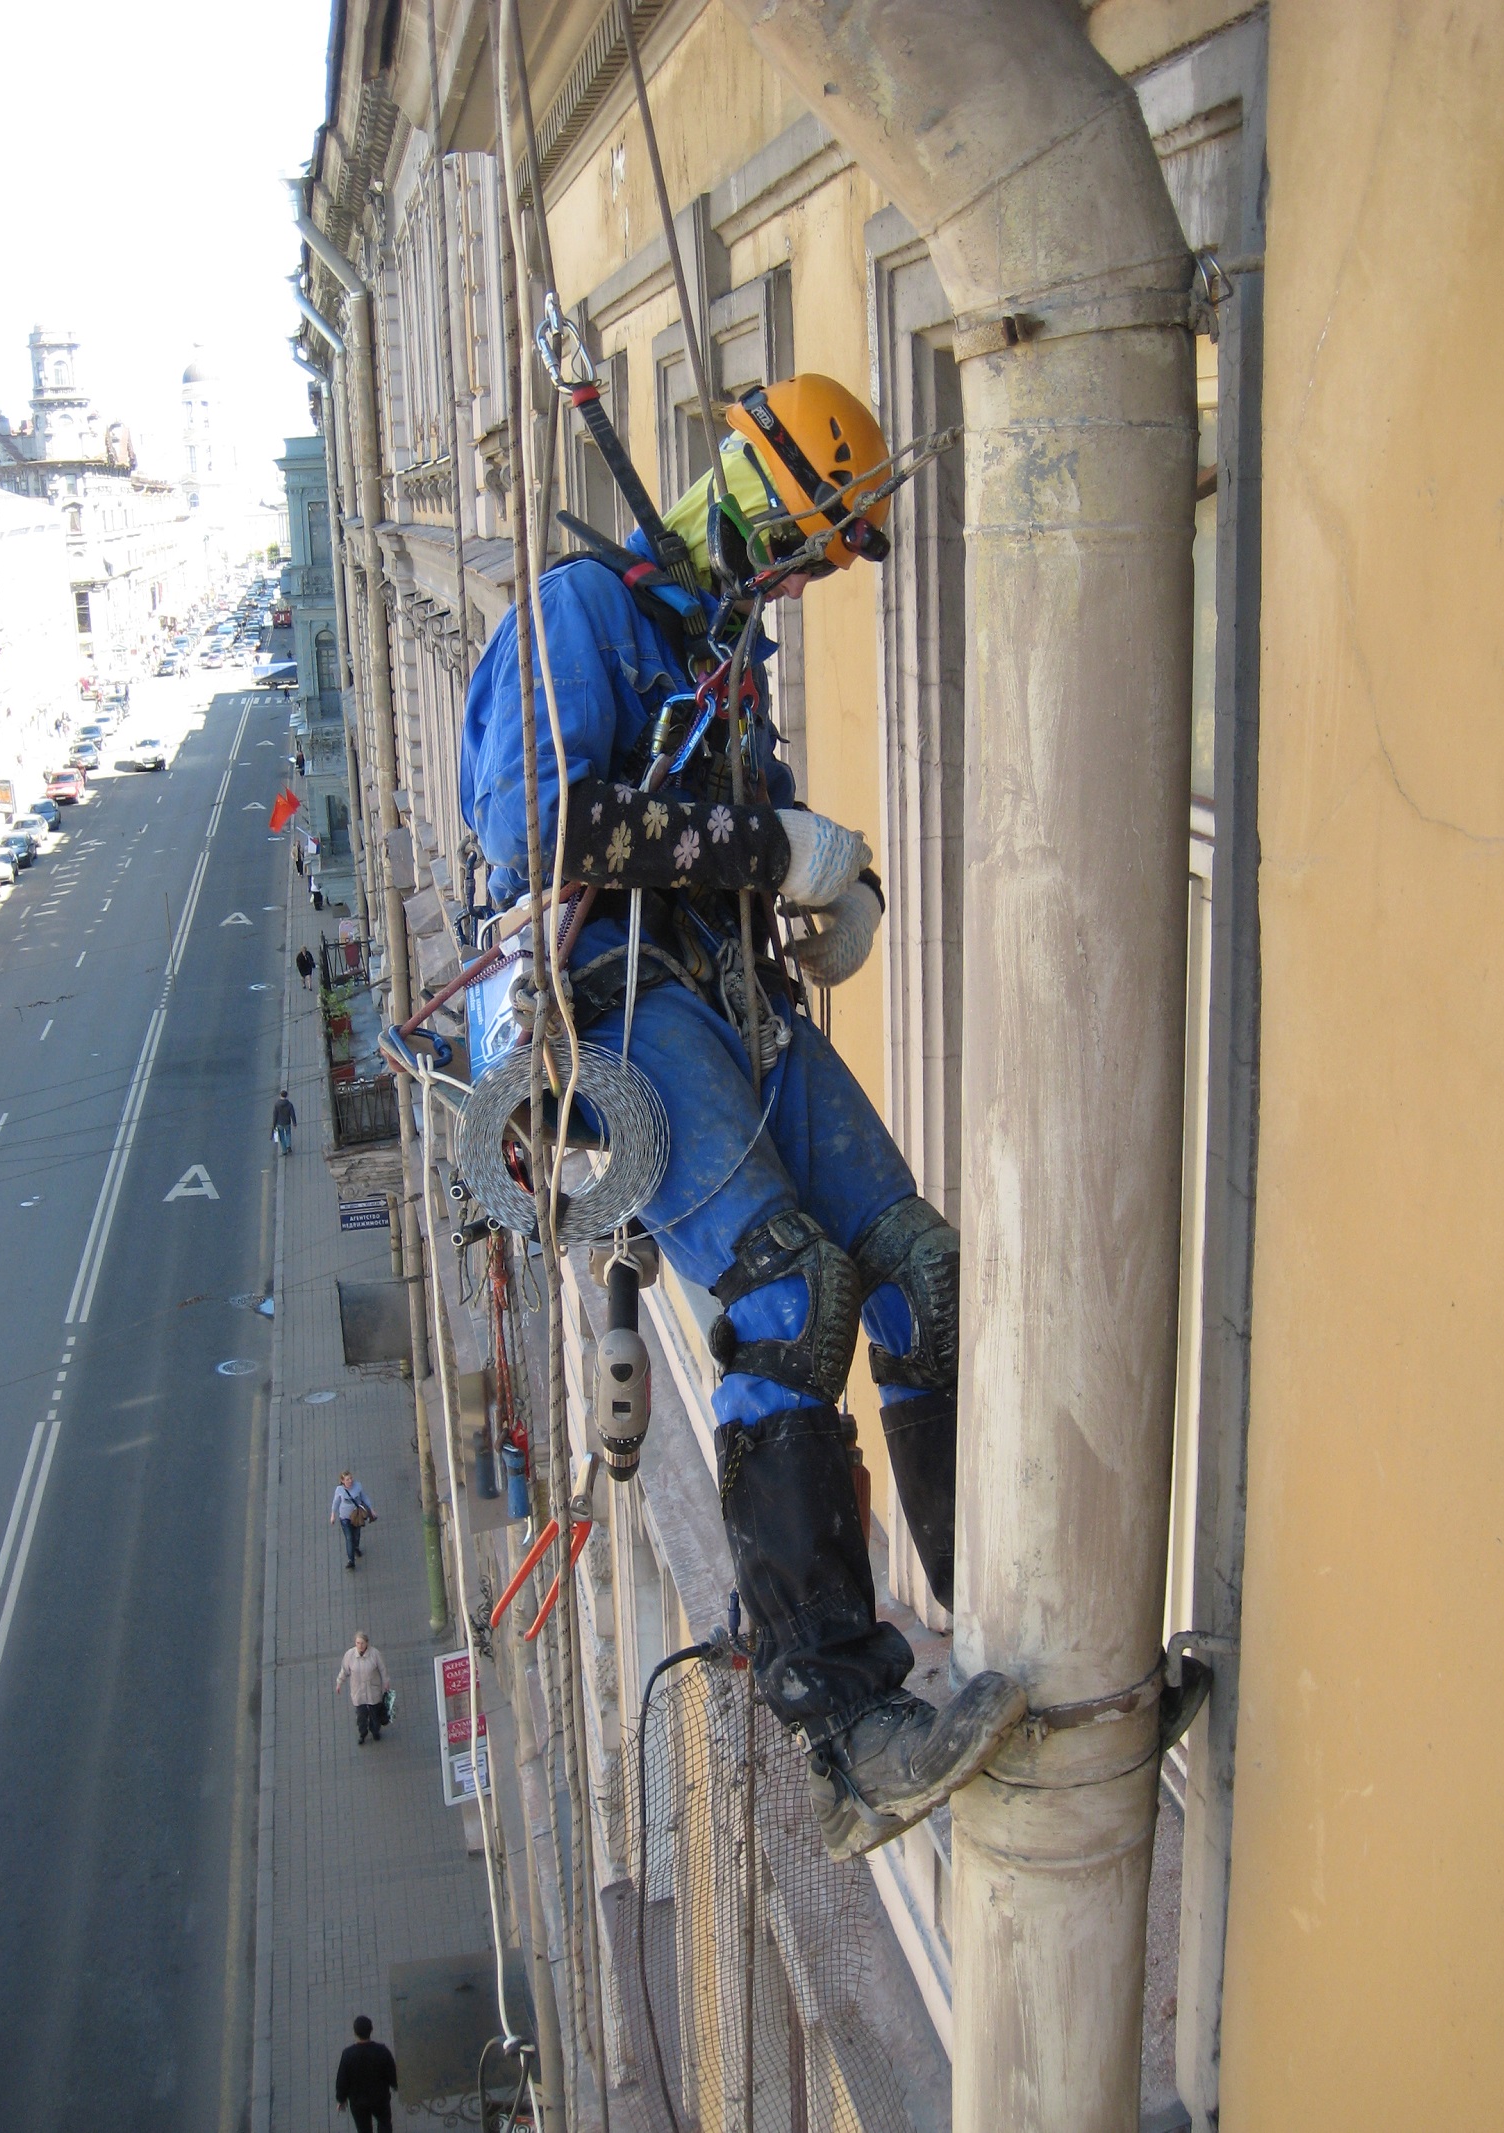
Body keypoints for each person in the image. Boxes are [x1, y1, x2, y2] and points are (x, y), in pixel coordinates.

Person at [460, 374, 1023, 1861]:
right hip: (615, 996)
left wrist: (842, 887)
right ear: (761, 491)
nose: (813, 571)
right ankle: (844, 1729)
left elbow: (757, 815)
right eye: (811, 540)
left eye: (831, 555)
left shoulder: (721, 644)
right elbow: (539, 826)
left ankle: (1010, 1611)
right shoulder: (582, 611)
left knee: (917, 1268)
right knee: (788, 1293)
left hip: (722, 980)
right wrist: (780, 850)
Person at [334, 2014, 397, 2130]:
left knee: (363, 2129)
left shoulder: (348, 2054)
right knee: (384, 2123)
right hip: (380, 2099)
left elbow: (342, 2080)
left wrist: (341, 2099)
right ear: (371, 2030)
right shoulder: (382, 2051)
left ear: (355, 2032)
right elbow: (392, 2073)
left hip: (358, 2103)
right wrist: (396, 2086)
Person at [336, 1631, 390, 1743]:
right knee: (361, 1716)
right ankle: (363, 1733)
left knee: (375, 1714)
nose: (360, 1646)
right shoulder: (350, 1655)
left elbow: (382, 1669)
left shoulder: (375, 1654)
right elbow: (345, 1670)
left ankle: (375, 1731)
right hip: (358, 1692)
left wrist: (386, 1683)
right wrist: (339, 1682)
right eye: (358, 1643)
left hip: (373, 1690)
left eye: (362, 1643)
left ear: (367, 1643)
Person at [329, 1469, 374, 1569]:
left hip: (357, 1516)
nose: (350, 1481)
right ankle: (351, 1560)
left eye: (351, 1478)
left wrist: (371, 1509)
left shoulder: (357, 1486)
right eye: (347, 1479)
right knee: (349, 1538)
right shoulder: (339, 1490)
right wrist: (333, 1515)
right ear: (342, 1481)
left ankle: (356, 1547)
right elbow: (336, 1502)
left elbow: (364, 1497)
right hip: (345, 1518)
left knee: (356, 1535)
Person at [272, 1088, 296, 1156]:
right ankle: (288, 1145)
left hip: (279, 1123)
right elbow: (292, 1114)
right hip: (287, 1122)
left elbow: (275, 1115)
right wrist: (294, 1123)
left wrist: (274, 1125)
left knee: (281, 1137)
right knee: (288, 1133)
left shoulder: (277, 1104)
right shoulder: (289, 1104)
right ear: (286, 1096)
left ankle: (284, 1150)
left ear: (280, 1095)